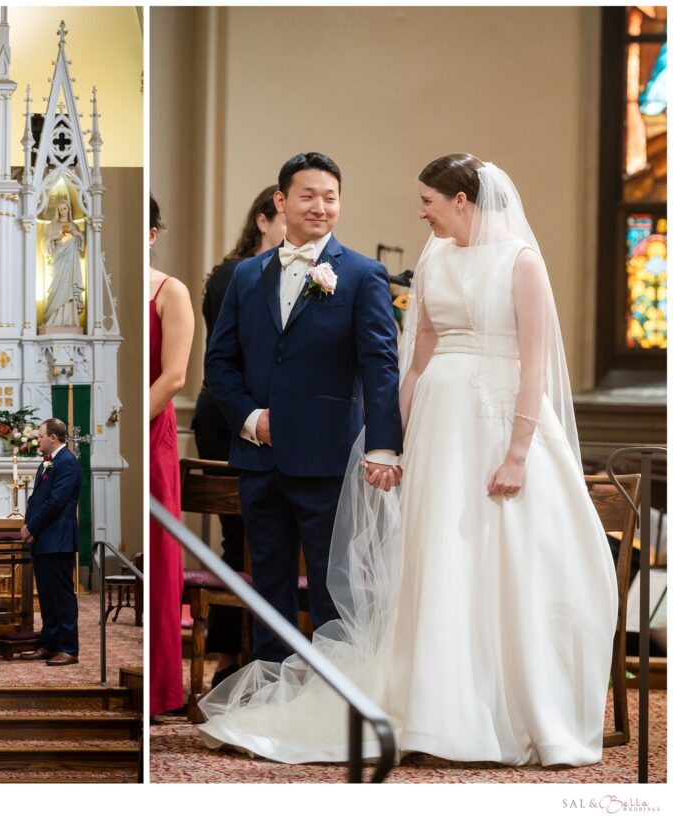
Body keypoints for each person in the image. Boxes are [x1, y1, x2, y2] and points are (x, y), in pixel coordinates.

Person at [198, 155, 619, 768]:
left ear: (461, 199)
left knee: (503, 562)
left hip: (497, 423)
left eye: (428, 200)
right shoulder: (435, 259)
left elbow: (534, 366)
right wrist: (392, 444)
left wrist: (517, 452)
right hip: (440, 430)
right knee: (436, 563)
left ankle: (505, 706)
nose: (420, 212)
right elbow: (412, 364)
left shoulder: (521, 262)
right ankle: (429, 705)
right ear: (283, 201)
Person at [204, 153, 403, 667]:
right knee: (268, 586)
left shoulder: (362, 274)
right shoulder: (246, 277)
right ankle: (271, 684)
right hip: (260, 457)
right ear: (281, 200)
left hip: (328, 455)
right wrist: (251, 419)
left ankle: (336, 689)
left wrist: (384, 446)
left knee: (332, 585)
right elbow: (220, 361)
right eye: (308, 195)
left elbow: (381, 366)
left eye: (330, 197)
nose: (320, 206)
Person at [192, 184, 286, 688]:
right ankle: (230, 654)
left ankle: (263, 654)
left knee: (267, 536)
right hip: (232, 414)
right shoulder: (234, 275)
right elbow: (229, 354)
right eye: (285, 220)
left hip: (276, 416)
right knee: (240, 532)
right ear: (264, 220)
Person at [149, 195, 195, 716]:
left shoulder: (171, 290)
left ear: (153, 234)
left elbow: (176, 376)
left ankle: (162, 690)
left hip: (153, 426)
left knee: (161, 551)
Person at [20, 419, 82, 666]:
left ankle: (68, 648)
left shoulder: (67, 462)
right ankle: (49, 644)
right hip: (44, 538)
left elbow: (56, 501)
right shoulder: (48, 462)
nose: (38, 439)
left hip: (58, 538)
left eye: (41, 435)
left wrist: (32, 526)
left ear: (53, 438)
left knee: (62, 596)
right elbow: (38, 499)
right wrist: (30, 525)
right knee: (46, 595)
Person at [41, 199, 86, 327]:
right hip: (57, 261)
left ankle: (69, 320)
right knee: (56, 286)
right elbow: (44, 245)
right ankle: (53, 319)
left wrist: (79, 236)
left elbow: (81, 250)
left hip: (71, 261)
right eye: (60, 209)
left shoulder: (74, 226)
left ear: (69, 209)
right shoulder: (52, 226)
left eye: (64, 208)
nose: (62, 211)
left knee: (69, 286)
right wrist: (54, 238)